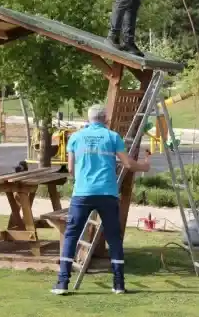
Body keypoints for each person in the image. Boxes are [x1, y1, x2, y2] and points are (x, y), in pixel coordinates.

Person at [52, 104, 151, 295]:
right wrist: (146, 166)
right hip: (107, 194)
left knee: (71, 235)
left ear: (88, 119)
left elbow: (71, 169)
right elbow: (128, 164)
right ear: (106, 120)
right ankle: (119, 284)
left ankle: (62, 283)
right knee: (114, 238)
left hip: (82, 193)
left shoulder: (75, 137)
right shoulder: (112, 137)